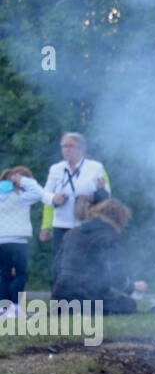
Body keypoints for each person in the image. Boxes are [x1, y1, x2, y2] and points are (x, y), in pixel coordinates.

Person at [51, 194, 144, 314]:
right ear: (120, 219)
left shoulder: (72, 233)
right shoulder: (109, 236)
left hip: (60, 296)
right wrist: (132, 287)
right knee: (129, 305)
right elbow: (114, 274)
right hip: (87, 295)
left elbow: (56, 268)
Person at [39, 133, 110, 279]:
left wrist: (97, 194)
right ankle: (60, 300)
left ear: (82, 148)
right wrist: (53, 199)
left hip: (85, 224)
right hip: (61, 224)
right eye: (64, 146)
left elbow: (107, 195)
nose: (67, 150)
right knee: (60, 265)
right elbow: (44, 194)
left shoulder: (95, 167)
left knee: (85, 263)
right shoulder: (56, 169)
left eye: (71, 146)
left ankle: (84, 298)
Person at [0, 167, 45, 314]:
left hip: (2, 241)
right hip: (19, 242)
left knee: (5, 274)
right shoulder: (22, 197)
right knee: (21, 274)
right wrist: (24, 180)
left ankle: (4, 308)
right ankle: (16, 306)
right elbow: (40, 193)